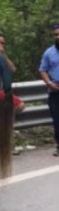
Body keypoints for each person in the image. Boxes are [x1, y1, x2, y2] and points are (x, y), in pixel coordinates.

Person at [38, 24, 59, 156]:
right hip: (55, 90)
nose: (58, 37)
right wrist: (49, 83)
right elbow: (43, 70)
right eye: (56, 35)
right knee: (57, 119)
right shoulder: (49, 52)